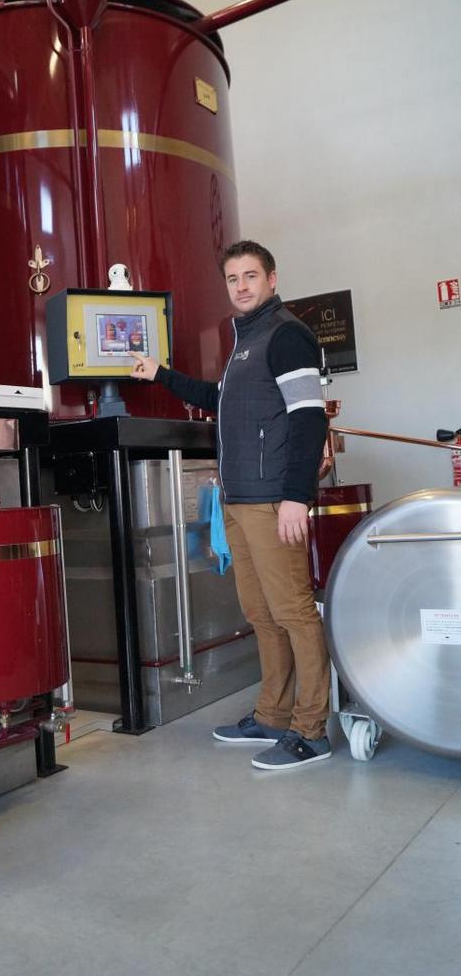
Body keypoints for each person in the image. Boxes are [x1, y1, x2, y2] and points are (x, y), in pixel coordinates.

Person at [130, 240, 330, 770]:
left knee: (294, 613)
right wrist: (161, 373)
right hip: (239, 500)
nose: (241, 286)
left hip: (272, 500)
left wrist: (296, 497)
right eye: (232, 279)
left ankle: (312, 729)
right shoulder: (246, 341)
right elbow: (220, 400)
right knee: (261, 614)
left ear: (271, 277)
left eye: (250, 276)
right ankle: (272, 716)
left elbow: (310, 417)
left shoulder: (286, 335)